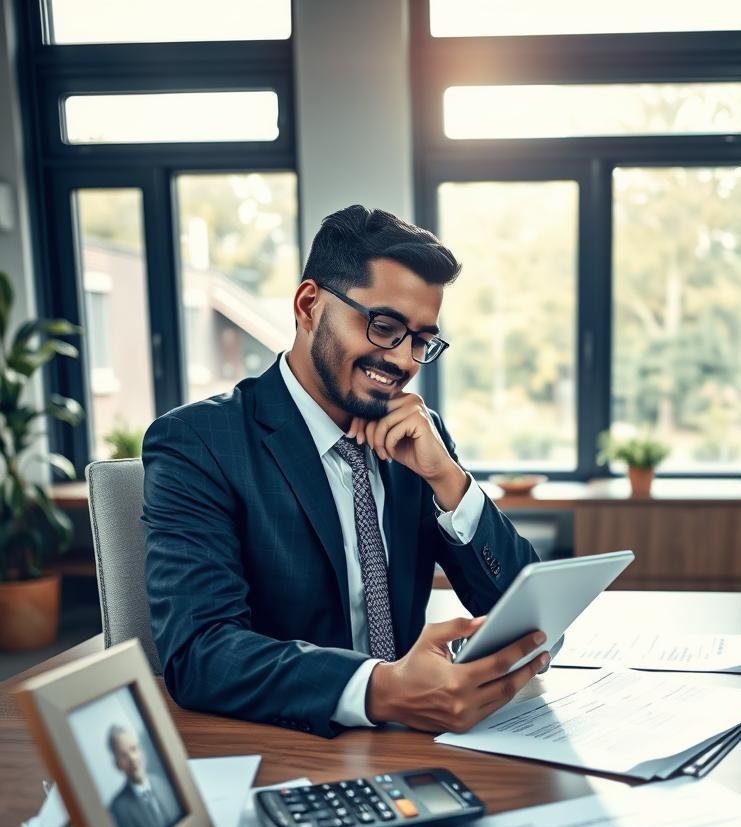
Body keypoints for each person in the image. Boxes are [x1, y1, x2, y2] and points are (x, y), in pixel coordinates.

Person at [143, 206, 548, 738]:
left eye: (421, 340)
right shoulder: (199, 443)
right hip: (288, 745)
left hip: (417, 747)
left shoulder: (418, 437)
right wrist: (380, 689)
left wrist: (449, 480)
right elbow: (200, 653)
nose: (403, 360)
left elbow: (525, 615)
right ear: (309, 305)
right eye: (384, 327)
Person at [107, 723, 182, 827]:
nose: (132, 758)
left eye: (134, 749)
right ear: (117, 765)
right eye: (124, 755)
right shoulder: (118, 810)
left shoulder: (163, 783)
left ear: (142, 751)